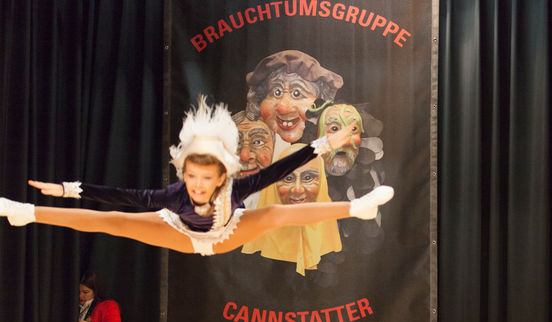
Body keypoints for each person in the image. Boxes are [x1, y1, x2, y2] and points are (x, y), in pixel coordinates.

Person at [0, 96, 394, 254]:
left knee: (277, 214)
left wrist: (324, 143)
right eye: (192, 178)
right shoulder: (172, 197)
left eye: (206, 179)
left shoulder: (238, 188)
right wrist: (67, 189)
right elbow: (119, 195)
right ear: (184, 175)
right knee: (113, 221)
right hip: (180, 235)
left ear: (221, 179)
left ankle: (356, 208)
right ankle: (25, 212)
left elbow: (281, 168)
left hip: (227, 235)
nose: (198, 186)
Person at [240, 144, 342, 274]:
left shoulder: (332, 250)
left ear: (322, 183)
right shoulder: (256, 254)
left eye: (308, 178)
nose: (297, 189)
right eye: (288, 178)